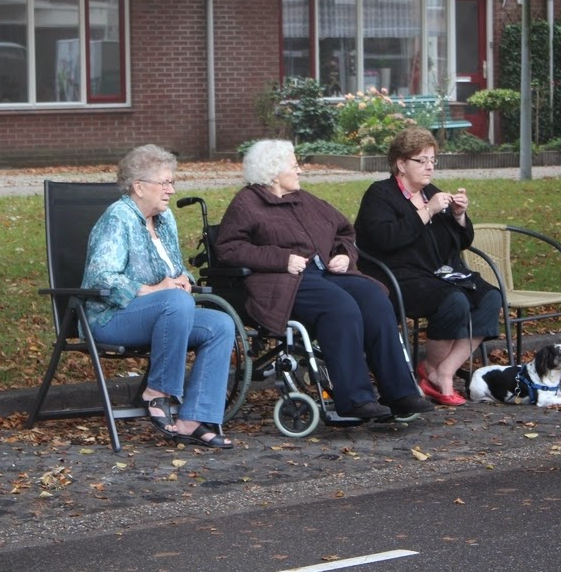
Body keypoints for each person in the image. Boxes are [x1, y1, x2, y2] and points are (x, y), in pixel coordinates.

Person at [214, 139, 434, 420]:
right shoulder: (247, 203)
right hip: (282, 281)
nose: (300, 170)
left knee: (374, 298)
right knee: (339, 306)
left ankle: (400, 393)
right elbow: (229, 249)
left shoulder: (305, 199)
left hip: (326, 273)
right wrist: (281, 259)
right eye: (294, 165)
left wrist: (343, 254)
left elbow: (345, 231)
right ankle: (355, 399)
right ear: (273, 172)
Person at [82, 144, 235, 449]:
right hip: (111, 318)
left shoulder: (165, 220)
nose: (171, 190)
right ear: (139, 187)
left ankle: (193, 419)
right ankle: (157, 392)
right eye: (164, 183)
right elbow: (101, 276)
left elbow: (175, 270)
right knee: (175, 302)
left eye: (172, 182)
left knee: (220, 325)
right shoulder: (118, 218)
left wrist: (185, 280)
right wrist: (154, 290)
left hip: (165, 314)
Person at [354, 127, 502, 406]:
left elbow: (462, 242)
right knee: (453, 301)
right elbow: (386, 239)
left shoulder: (431, 192)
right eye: (421, 160)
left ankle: (440, 371)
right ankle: (435, 373)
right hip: (398, 275)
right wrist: (427, 211)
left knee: (491, 298)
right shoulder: (380, 194)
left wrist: (459, 216)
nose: (430, 166)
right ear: (401, 164)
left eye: (433, 160)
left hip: (440, 272)